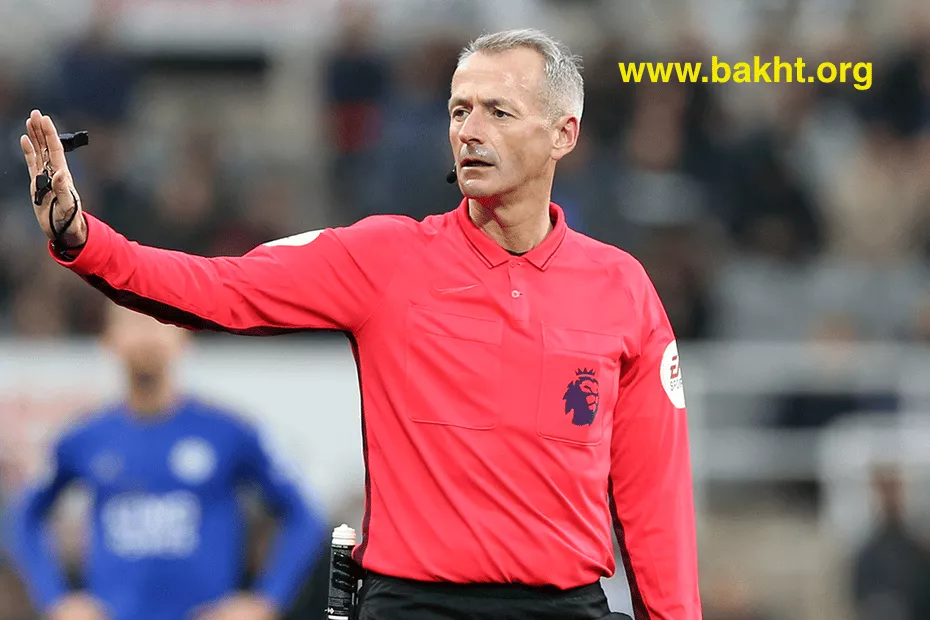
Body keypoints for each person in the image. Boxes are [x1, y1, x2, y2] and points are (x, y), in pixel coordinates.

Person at [20, 28, 701, 620]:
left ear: (563, 134)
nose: (470, 130)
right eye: (459, 110)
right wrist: (83, 237)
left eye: (498, 111)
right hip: (414, 605)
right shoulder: (385, 258)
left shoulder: (622, 289)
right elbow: (222, 288)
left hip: (565, 605)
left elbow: (654, 501)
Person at [4, 304, 327, 620]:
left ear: (186, 336)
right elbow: (24, 516)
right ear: (107, 339)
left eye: (160, 321)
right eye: (132, 322)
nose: (147, 335)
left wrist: (266, 601)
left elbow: (303, 515)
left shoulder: (228, 432)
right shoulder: (84, 438)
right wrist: (56, 600)